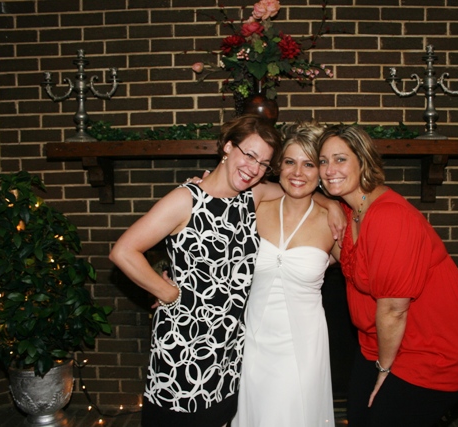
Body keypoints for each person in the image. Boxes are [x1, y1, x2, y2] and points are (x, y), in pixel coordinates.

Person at [109, 115, 345, 427]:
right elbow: (123, 251)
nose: (253, 168)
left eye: (263, 163)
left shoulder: (252, 196)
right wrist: (166, 292)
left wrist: (332, 205)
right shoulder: (186, 199)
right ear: (228, 147)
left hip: (230, 350)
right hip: (184, 346)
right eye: (249, 155)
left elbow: (297, 186)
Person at [317, 124, 458, 427]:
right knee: (359, 418)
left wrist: (384, 371)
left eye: (340, 159)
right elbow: (292, 191)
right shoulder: (349, 211)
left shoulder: (389, 217)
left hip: (436, 350)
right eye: (323, 161)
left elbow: (394, 310)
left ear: (363, 161)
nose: (330, 170)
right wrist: (328, 202)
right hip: (380, 343)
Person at [232, 122, 340, 427]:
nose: (298, 173)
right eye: (290, 162)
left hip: (303, 347)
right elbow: (211, 245)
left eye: (309, 164)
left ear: (320, 171)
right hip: (252, 341)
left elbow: (365, 275)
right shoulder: (255, 204)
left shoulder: (333, 223)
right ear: (278, 166)